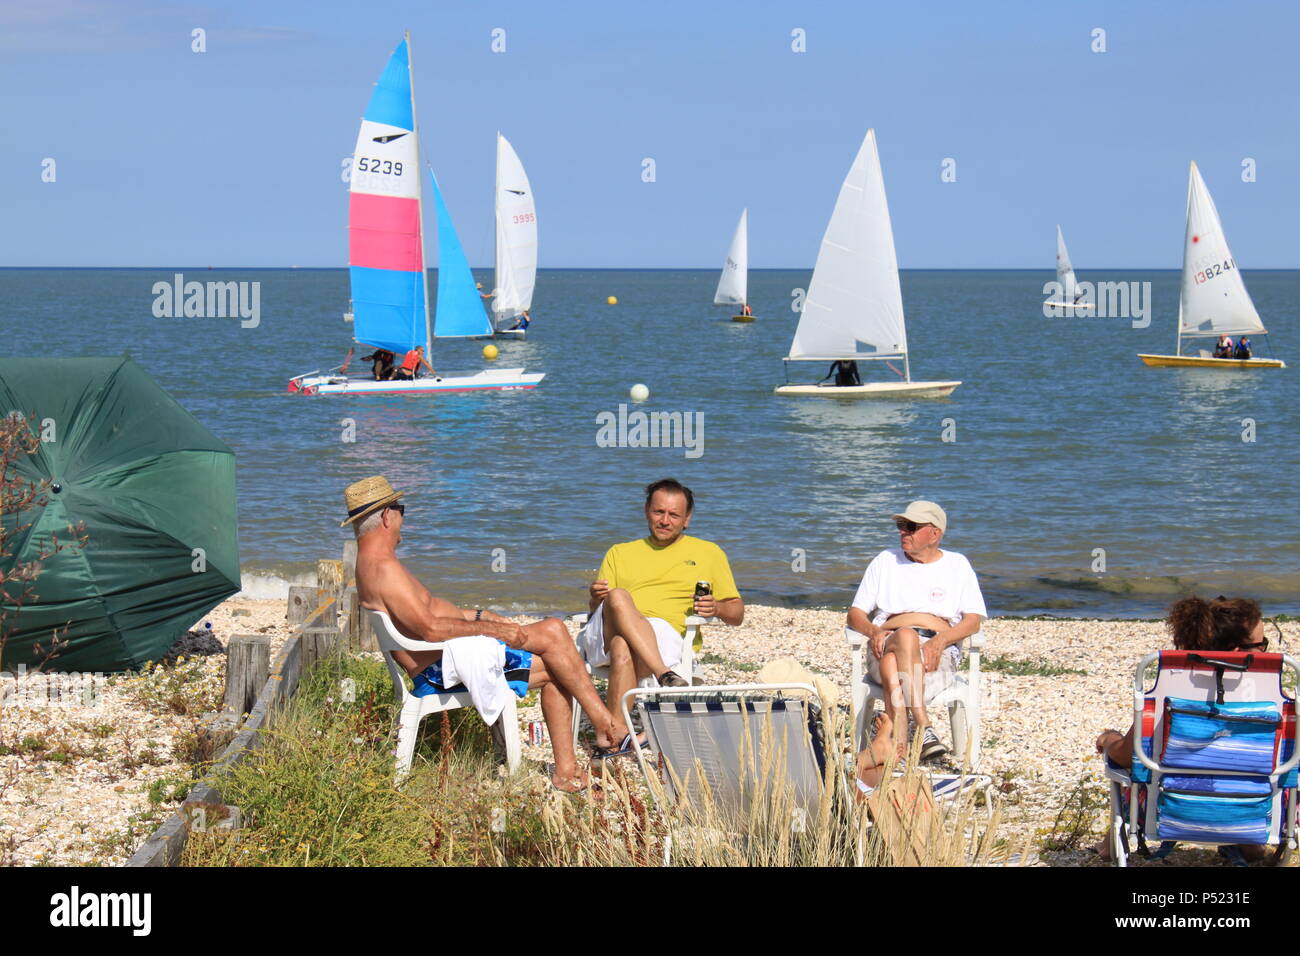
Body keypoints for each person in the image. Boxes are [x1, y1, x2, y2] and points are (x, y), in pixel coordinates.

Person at [348, 475, 636, 792]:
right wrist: (492, 629)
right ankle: (606, 728)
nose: (404, 517)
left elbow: (431, 612)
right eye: (400, 508)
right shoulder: (385, 569)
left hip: (442, 660)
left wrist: (483, 616)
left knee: (555, 646)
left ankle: (587, 747)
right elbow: (430, 628)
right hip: (440, 671)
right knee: (555, 637)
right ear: (387, 516)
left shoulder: (372, 564)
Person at [1094, 595, 1269, 862]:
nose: (1268, 651)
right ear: (1238, 653)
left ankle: (1110, 846)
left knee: (1140, 764)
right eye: (1262, 644)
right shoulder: (1270, 699)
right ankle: (1247, 843)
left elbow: (1124, 755)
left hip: (1171, 809)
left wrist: (1109, 740)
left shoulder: (1172, 689)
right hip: (1254, 811)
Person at [581, 478, 744, 756]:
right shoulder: (619, 552)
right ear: (647, 510)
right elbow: (597, 612)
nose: (665, 520)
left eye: (674, 515)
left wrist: (716, 608)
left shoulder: (709, 553)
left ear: (687, 519)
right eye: (659, 512)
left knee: (624, 644)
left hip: (663, 637)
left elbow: (737, 613)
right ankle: (664, 674)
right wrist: (596, 599)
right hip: (607, 637)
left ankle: (613, 737)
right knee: (618, 597)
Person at [846, 501, 986, 763]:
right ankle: (922, 723)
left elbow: (973, 622)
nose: (903, 532)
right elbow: (854, 615)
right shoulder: (885, 561)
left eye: (911, 527)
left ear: (935, 533)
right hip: (885, 642)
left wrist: (941, 640)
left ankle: (897, 742)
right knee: (906, 636)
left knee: (894, 659)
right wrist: (873, 631)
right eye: (901, 526)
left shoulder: (957, 565)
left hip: (934, 653)